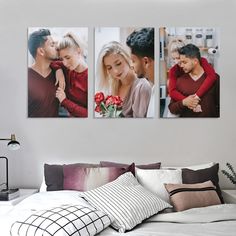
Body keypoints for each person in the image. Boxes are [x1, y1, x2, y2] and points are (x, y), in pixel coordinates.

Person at [96, 41, 151, 118]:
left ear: (127, 58)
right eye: (109, 68)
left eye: (118, 64)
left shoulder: (141, 87)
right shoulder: (113, 87)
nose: (115, 71)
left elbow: (139, 126)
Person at [168, 44, 219, 117]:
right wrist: (186, 101)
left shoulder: (203, 63)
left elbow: (212, 77)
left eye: (178, 58)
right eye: (174, 59)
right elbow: (172, 93)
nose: (177, 62)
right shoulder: (177, 77)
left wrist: (196, 97)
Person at [52, 32, 88, 117]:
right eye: (62, 58)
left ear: (78, 52)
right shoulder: (68, 68)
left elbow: (88, 115)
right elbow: (49, 62)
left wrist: (64, 101)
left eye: (68, 57)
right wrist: (59, 71)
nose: (65, 63)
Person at [28, 29, 60, 117]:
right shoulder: (25, 77)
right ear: (41, 51)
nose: (56, 47)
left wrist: (59, 70)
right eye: (52, 45)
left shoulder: (58, 73)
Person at [126, 28, 154, 117]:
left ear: (145, 62)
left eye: (133, 61)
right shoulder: (154, 89)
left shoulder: (148, 88)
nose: (131, 65)